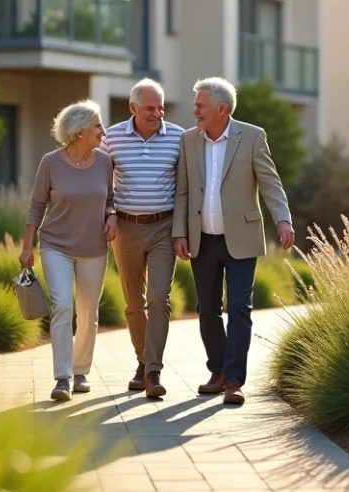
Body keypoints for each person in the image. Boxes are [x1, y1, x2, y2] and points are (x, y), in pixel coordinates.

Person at [172, 77, 294, 406]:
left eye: (200, 105)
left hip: (241, 239)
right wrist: (179, 232)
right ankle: (218, 371)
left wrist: (283, 219)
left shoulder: (252, 137)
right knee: (207, 309)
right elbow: (182, 191)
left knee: (239, 307)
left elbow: (270, 183)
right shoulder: (188, 140)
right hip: (202, 240)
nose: (194, 110)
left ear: (221, 109)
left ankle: (234, 379)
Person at [20, 99, 118, 402]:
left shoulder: (104, 162)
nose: (103, 131)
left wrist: (112, 215)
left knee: (88, 312)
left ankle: (80, 372)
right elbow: (37, 206)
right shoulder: (50, 162)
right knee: (63, 305)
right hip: (55, 245)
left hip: (94, 247)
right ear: (78, 132)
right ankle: (62, 378)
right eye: (97, 125)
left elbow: (110, 199)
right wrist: (26, 246)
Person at [100, 78, 184, 398]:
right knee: (134, 302)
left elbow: (186, 187)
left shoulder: (178, 137)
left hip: (164, 227)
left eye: (160, 107)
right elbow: (102, 183)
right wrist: (109, 213)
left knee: (159, 297)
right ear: (133, 108)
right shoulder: (112, 138)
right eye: (150, 108)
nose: (157, 113)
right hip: (126, 228)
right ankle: (142, 361)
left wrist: (183, 230)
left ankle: (152, 372)